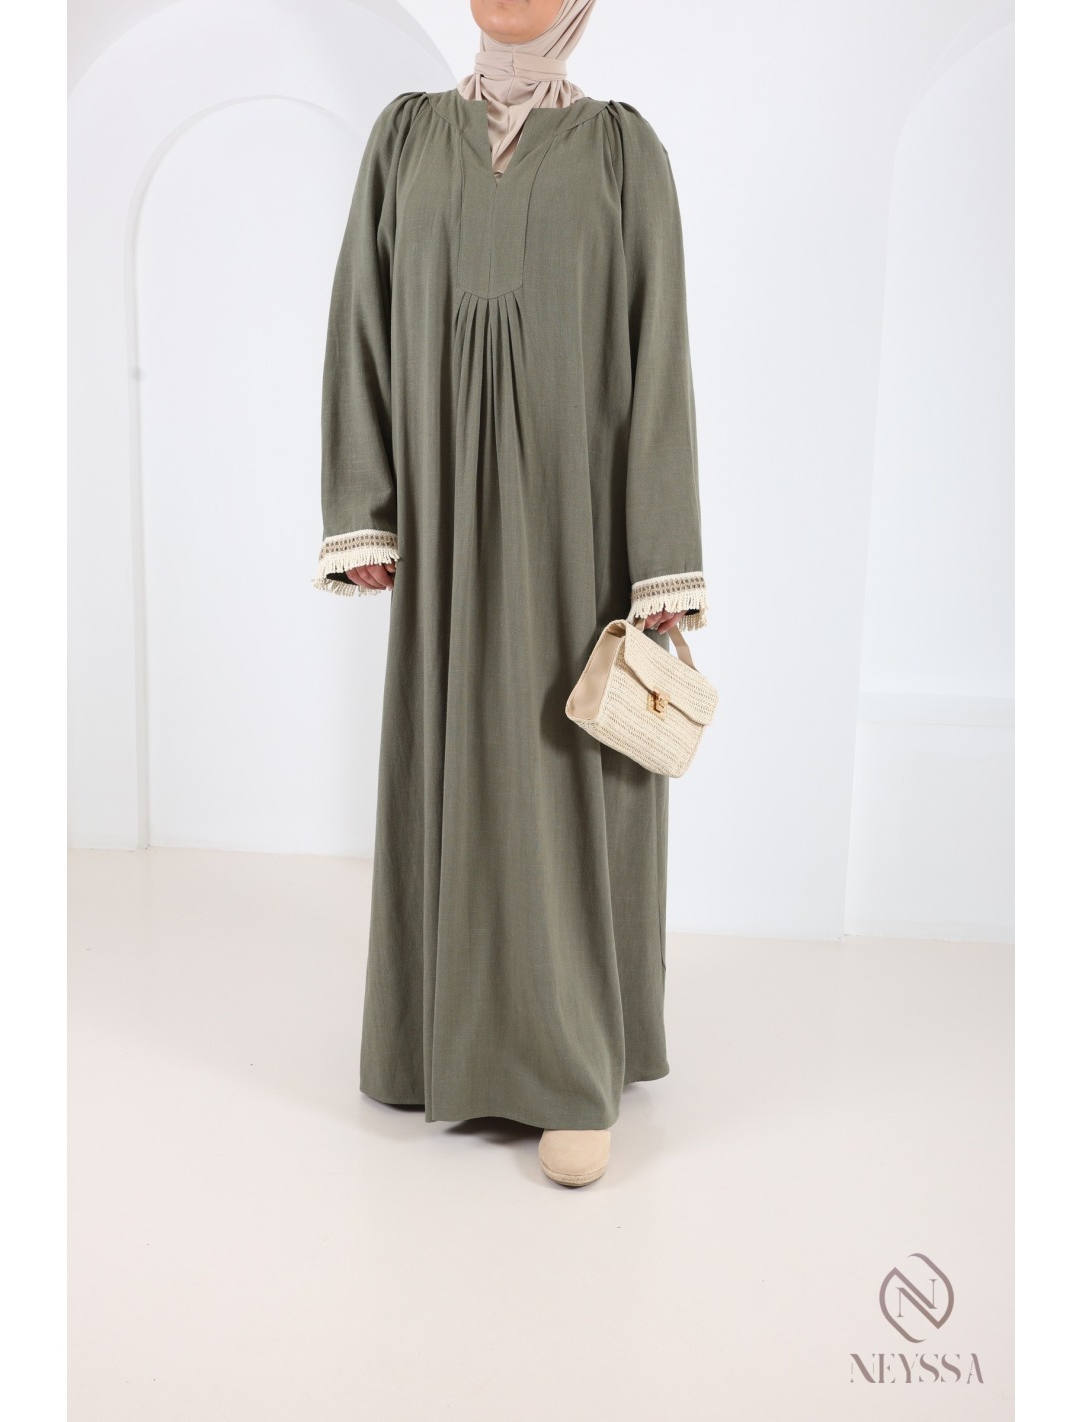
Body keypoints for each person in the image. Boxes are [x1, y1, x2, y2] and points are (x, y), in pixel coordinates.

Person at [313, 0, 708, 1187]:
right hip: (444, 528)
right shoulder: (403, 139)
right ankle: (440, 1044)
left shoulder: (624, 153)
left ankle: (566, 1065)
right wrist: (363, 507)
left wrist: (660, 559)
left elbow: (658, 358)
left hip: (576, 537)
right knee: (450, 758)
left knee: (562, 774)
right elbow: (361, 321)